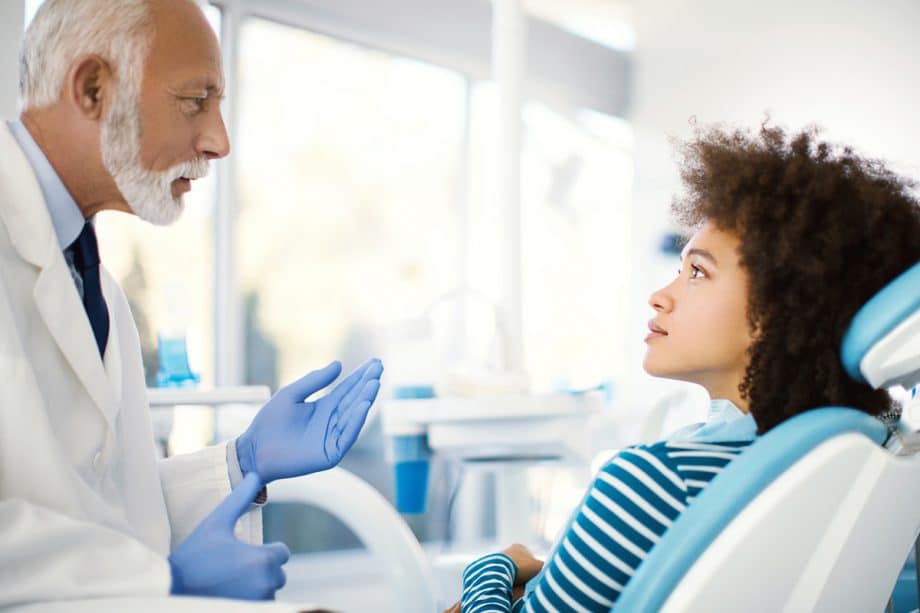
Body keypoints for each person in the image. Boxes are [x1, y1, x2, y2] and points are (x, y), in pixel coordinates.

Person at [0, 0, 382, 607]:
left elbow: (95, 507)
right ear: (93, 88)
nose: (218, 141)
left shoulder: (88, 278)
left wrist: (242, 464)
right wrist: (165, 582)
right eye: (194, 101)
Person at [451, 123, 920, 612]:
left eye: (698, 272)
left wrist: (494, 567)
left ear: (782, 309)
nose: (660, 296)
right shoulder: (871, 457)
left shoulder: (649, 482)